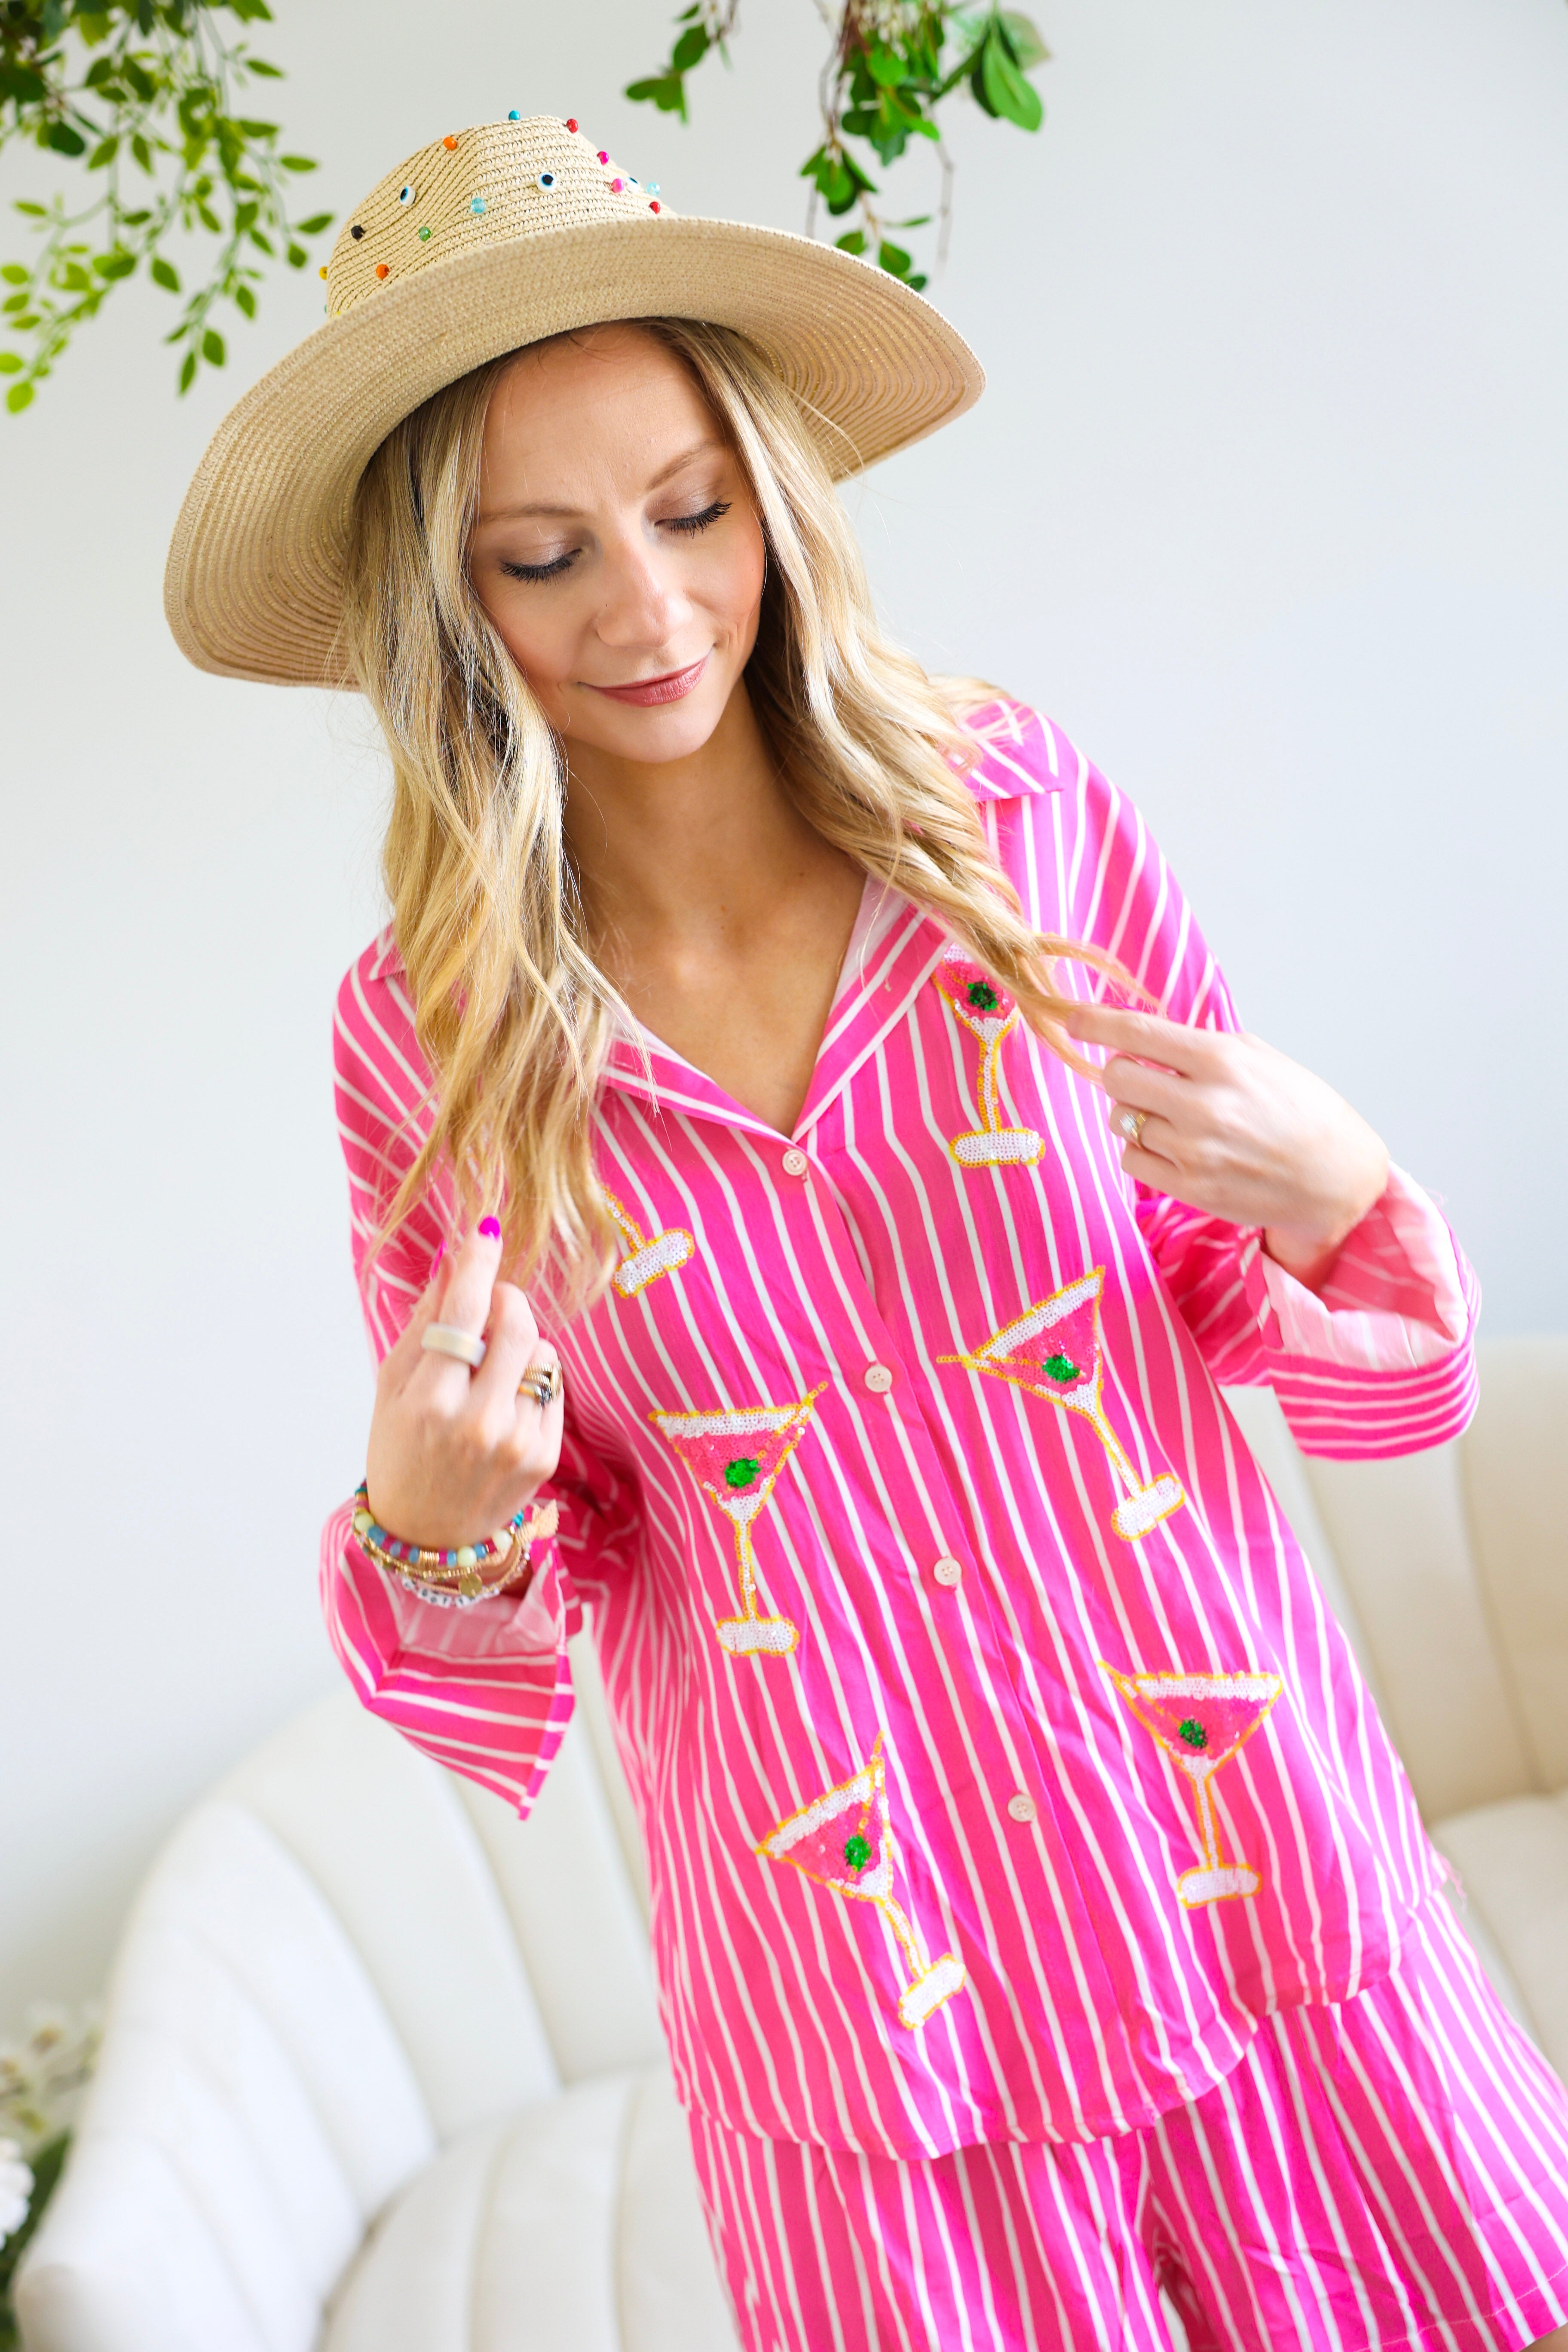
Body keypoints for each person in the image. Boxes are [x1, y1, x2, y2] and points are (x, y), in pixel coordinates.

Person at [167, 113, 1568, 2352]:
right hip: (872, 2038)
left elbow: (1243, 1296)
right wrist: (428, 1523)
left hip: (1263, 1895)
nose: (646, 611)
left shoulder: (1016, 817)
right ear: (450, 604)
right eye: (543, 556)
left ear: (770, 496)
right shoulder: (425, 1042)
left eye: (690, 510)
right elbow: (534, 1571)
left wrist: (1334, 1193)